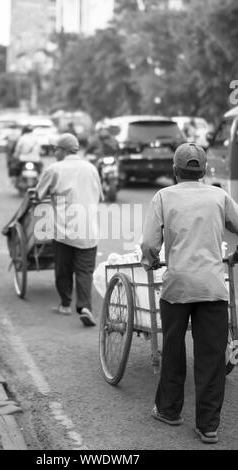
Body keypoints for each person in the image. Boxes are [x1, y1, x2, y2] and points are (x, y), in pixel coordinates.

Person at [140, 142, 238, 444]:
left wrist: (152, 259)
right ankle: (208, 426)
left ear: (175, 170)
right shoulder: (220, 196)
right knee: (210, 357)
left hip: (177, 286)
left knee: (172, 349)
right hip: (212, 286)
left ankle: (169, 410)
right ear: (204, 170)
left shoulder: (163, 197)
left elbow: (148, 242)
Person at [35, 133, 103, 327]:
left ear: (63, 151)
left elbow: (38, 195)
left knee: (63, 269)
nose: (54, 152)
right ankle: (84, 307)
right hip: (89, 230)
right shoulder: (91, 168)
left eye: (55, 149)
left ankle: (65, 304)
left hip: (63, 231)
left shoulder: (54, 169)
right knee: (84, 271)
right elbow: (100, 196)